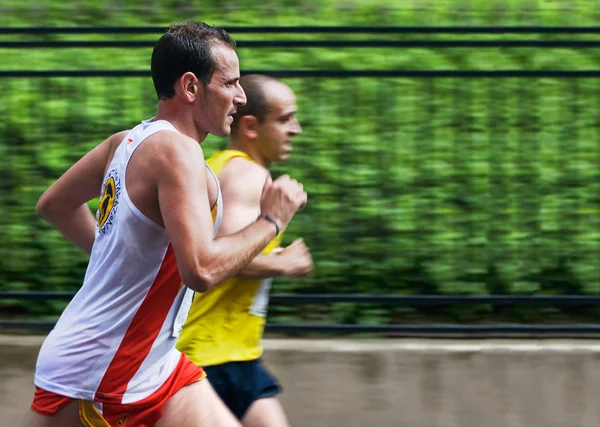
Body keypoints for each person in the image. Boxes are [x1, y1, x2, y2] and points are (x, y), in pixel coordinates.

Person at [20, 21, 307, 427]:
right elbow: (202, 269)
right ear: (191, 87)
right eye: (230, 84)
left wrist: (122, 260)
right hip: (105, 373)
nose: (241, 98)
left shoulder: (126, 141)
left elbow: (55, 204)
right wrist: (271, 220)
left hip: (154, 361)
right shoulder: (178, 153)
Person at [177, 74, 313, 427]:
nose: (295, 129)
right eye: (285, 120)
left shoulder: (225, 168)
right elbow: (217, 257)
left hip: (235, 355)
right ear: (250, 127)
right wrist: (282, 265)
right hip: (207, 355)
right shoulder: (247, 178)